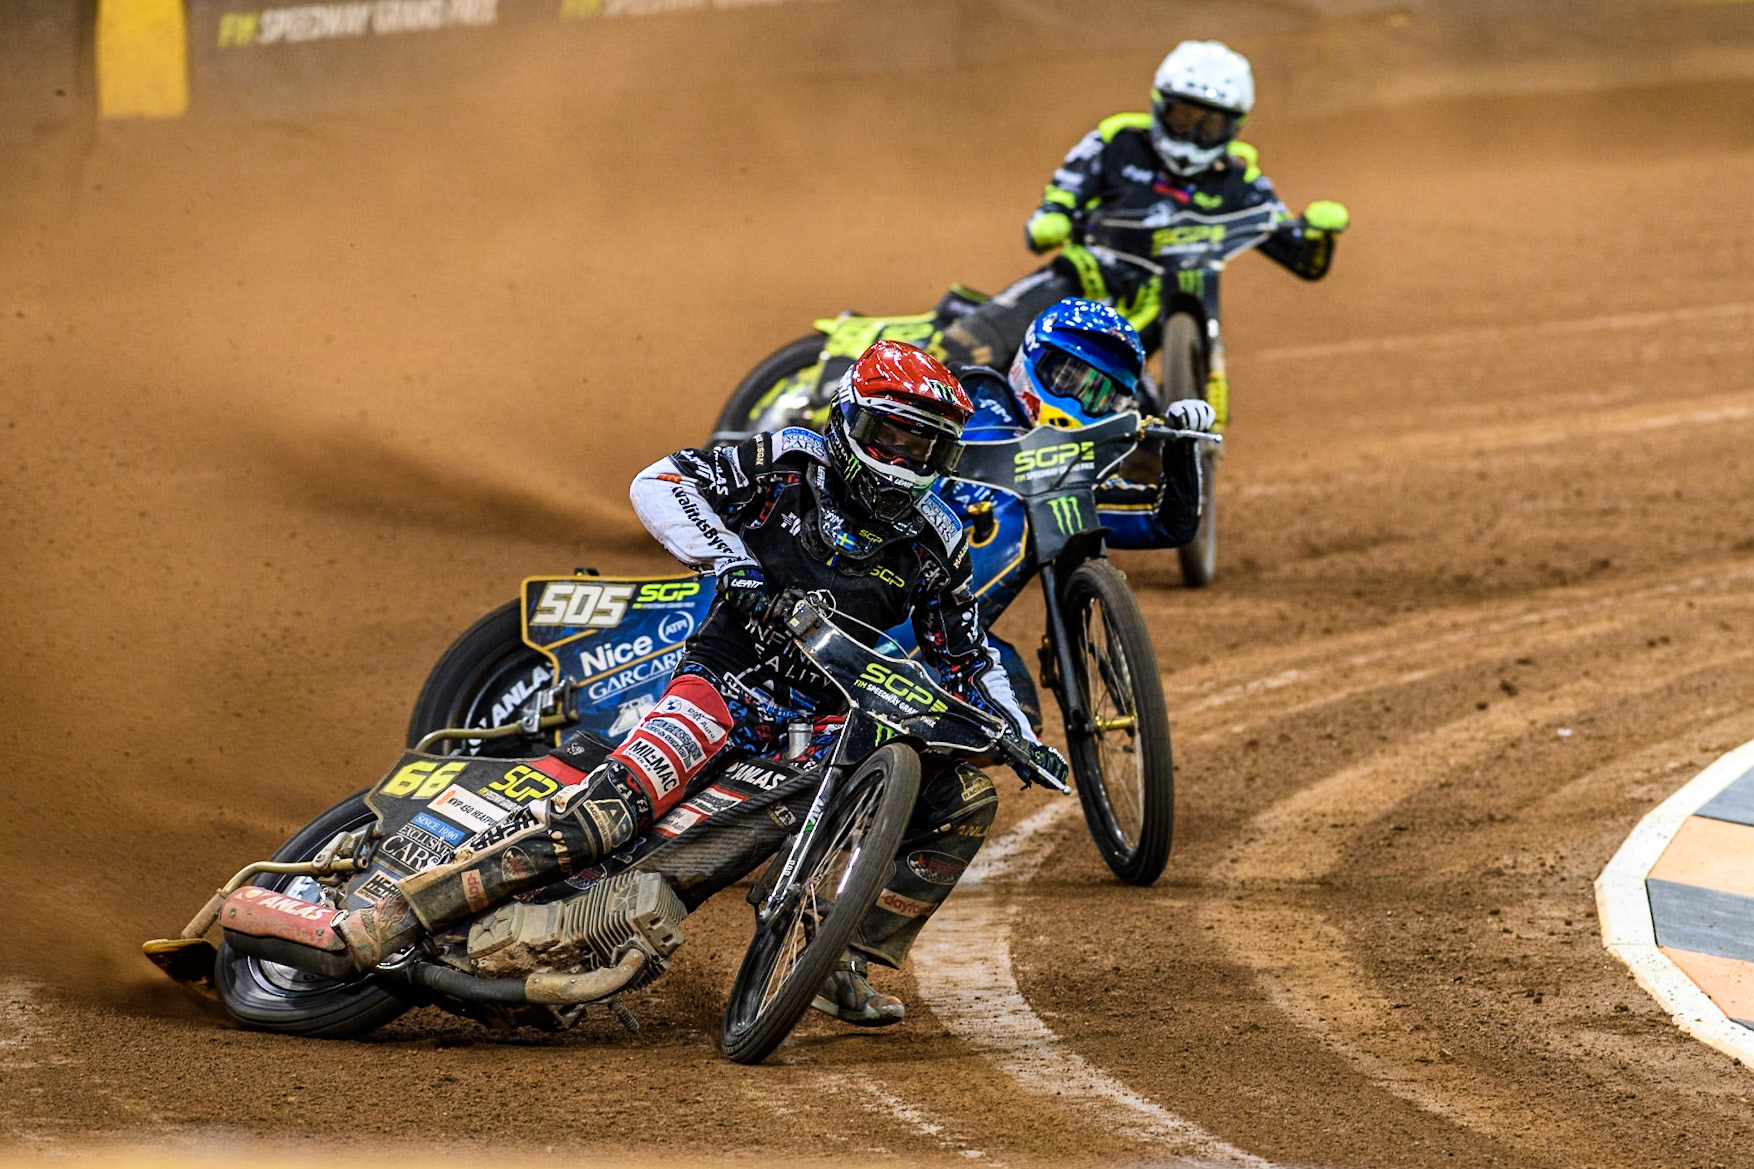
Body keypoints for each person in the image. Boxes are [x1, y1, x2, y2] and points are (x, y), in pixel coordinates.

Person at [339, 340, 1067, 1028]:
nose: (903, 460)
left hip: (815, 728)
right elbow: (662, 479)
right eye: (891, 436)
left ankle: (841, 958)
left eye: (925, 447)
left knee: (965, 799)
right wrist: (731, 561)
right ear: (848, 417)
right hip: (723, 680)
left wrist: (1022, 735)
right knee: (612, 816)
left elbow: (970, 657)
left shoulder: (937, 537)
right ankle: (404, 913)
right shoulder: (787, 459)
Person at [939, 39, 1349, 377]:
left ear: (1233, 127)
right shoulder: (1119, 139)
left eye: (1209, 125)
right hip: (1089, 276)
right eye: (1184, 117)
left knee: (1145, 450)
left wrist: (1317, 235)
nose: (1192, 134)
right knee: (965, 347)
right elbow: (1063, 193)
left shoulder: (1242, 178)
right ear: (1159, 106)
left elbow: (1300, 258)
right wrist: (1054, 216)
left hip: (1169, 296)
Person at [938, 297, 1215, 729]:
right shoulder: (962, 394)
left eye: (1099, 395)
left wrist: (1182, 449)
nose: (1077, 401)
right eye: (1066, 376)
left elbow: (1167, 522)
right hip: (866, 588)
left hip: (949, 640)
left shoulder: (1076, 483)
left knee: (1010, 721)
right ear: (1028, 358)